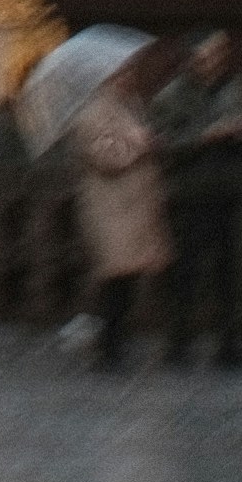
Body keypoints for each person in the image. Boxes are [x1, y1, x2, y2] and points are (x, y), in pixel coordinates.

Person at [152, 31, 242, 366]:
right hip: (189, 192)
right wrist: (205, 136)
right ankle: (178, 341)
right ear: (191, 60)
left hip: (228, 190)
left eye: (218, 54)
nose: (213, 62)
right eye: (205, 56)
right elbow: (164, 143)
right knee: (186, 270)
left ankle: (230, 342)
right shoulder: (171, 96)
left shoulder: (236, 89)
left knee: (229, 269)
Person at [67, 40, 171, 365]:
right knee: (115, 278)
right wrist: (142, 145)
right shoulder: (94, 111)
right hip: (111, 207)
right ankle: (108, 346)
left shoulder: (129, 105)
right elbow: (105, 156)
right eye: (123, 71)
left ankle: (114, 342)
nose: (129, 77)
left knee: (126, 278)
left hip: (132, 206)